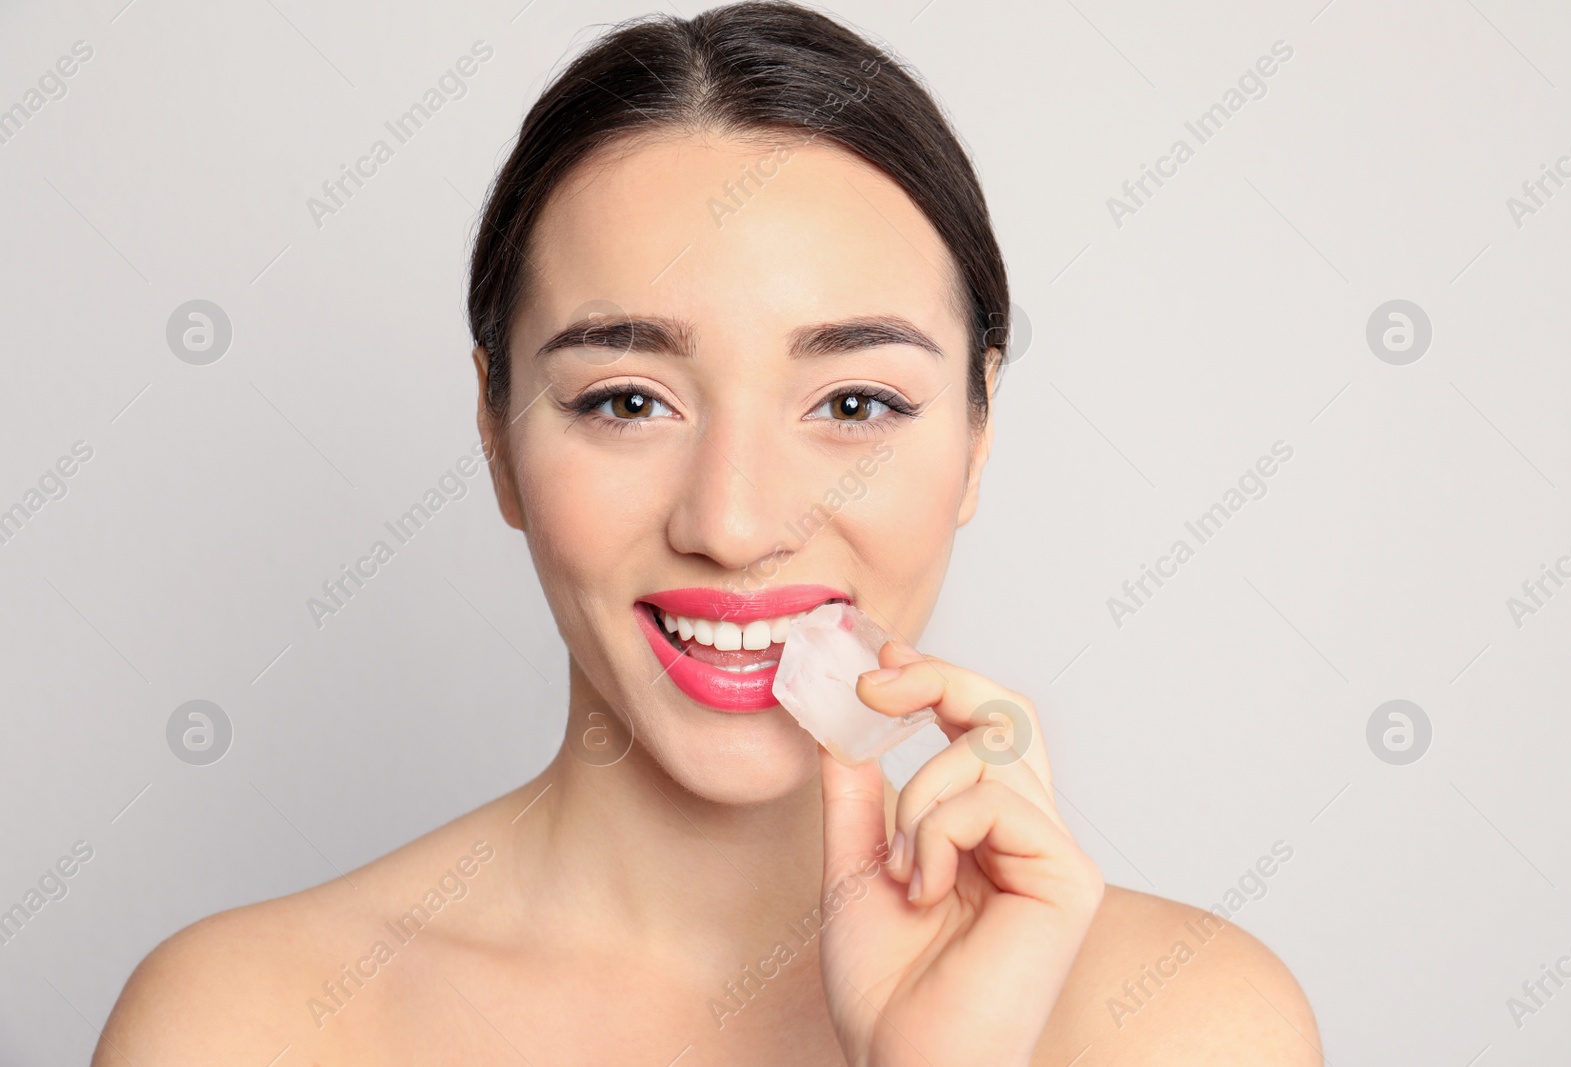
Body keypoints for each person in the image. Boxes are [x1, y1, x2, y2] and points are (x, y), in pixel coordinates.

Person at [97, 3, 1320, 1063]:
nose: (733, 525)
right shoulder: (243, 1022)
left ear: (977, 437)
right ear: (494, 430)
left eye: (854, 404)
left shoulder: (1189, 1022)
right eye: (627, 400)